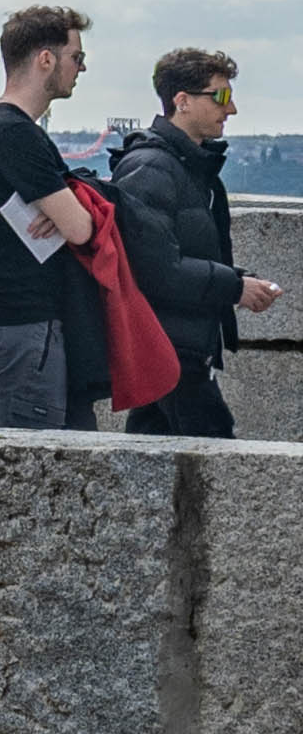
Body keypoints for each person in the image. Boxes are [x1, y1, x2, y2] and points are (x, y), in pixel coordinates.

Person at [101, 45, 277, 440]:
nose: (230, 110)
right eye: (221, 97)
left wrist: (239, 280)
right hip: (169, 352)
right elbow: (156, 269)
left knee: (152, 471)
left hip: (181, 350)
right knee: (217, 467)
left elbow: (184, 254)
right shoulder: (150, 166)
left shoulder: (187, 167)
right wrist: (235, 287)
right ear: (182, 101)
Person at [0, 3, 108, 430]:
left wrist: (67, 203)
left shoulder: (3, 130)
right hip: (24, 320)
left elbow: (71, 219)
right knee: (34, 464)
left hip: (20, 320)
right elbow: (80, 228)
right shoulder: (14, 134)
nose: (81, 69)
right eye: (76, 58)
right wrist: (69, 209)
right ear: (46, 59)